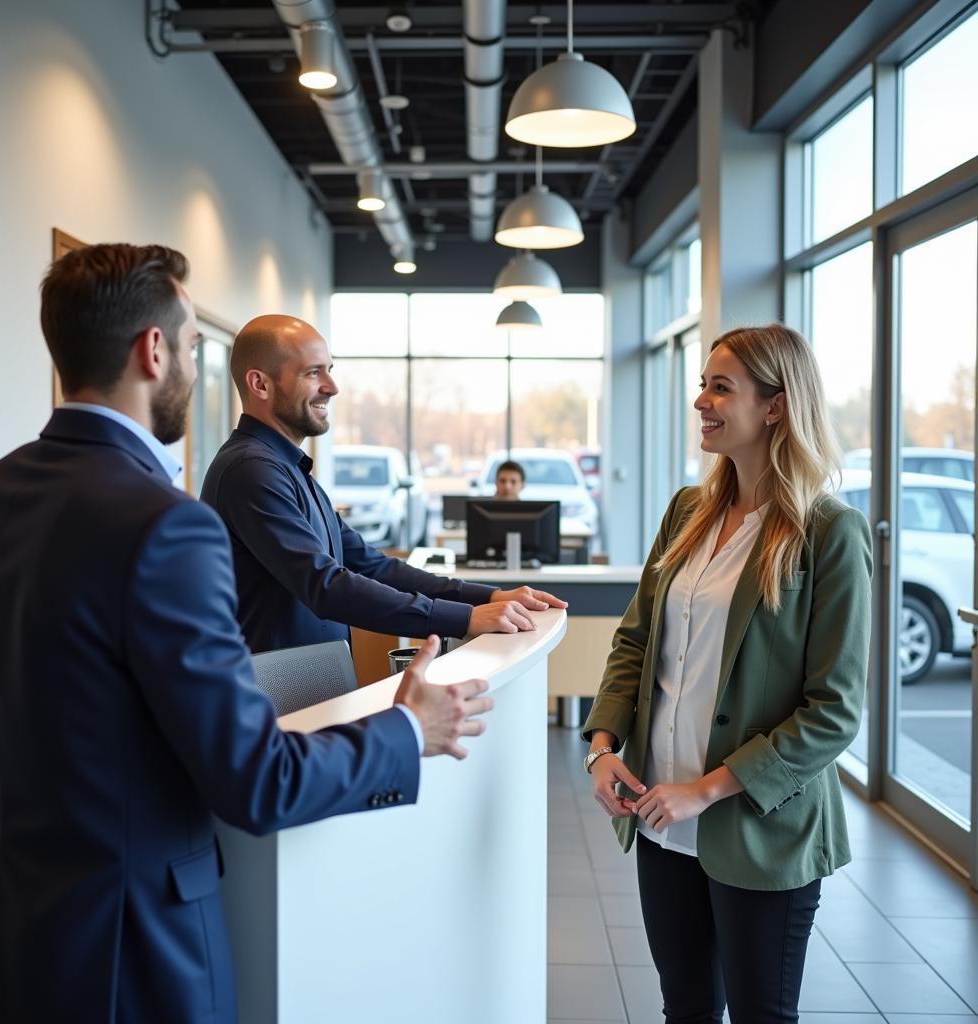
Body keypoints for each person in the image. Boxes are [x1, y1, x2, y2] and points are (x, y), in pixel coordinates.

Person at [0, 244, 493, 1024]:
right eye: (193, 349)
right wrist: (408, 730)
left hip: (3, 934)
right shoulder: (167, 527)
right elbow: (255, 782)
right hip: (131, 953)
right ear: (153, 351)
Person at [582, 324, 872, 1024]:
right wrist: (601, 747)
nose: (701, 401)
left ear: (774, 406)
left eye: (721, 387)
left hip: (755, 827)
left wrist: (704, 792)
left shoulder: (829, 532)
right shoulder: (689, 511)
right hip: (662, 822)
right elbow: (636, 641)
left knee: (759, 1016)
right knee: (684, 1007)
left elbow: (834, 711)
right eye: (702, 384)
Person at [201, 315, 566, 656]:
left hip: (306, 686)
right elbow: (324, 585)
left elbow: (371, 565)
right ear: (260, 383)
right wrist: (464, 619)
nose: (332, 387)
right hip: (273, 696)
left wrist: (487, 597)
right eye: (313, 373)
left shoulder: (288, 468)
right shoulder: (252, 470)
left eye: (329, 370)